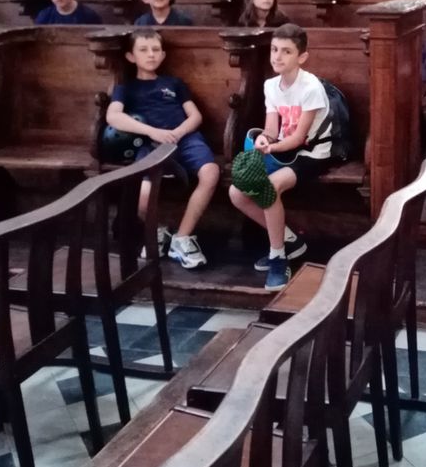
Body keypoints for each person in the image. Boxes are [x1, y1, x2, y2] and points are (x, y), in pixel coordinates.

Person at [228, 24, 331, 290]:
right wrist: (264, 139)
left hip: (311, 153)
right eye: (275, 50)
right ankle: (290, 240)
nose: (278, 56)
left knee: (270, 188)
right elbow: (273, 129)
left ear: (302, 57)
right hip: (283, 151)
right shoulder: (270, 85)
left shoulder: (311, 87)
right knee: (236, 192)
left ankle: (278, 257)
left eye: (286, 51)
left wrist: (271, 148)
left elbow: (298, 139)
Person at [106, 29, 220, 269]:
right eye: (144, 50)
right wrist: (151, 131)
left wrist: (178, 132)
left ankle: (182, 237)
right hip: (151, 143)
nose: (151, 55)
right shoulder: (126, 87)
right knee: (143, 195)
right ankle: (156, 232)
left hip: (185, 138)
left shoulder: (173, 83)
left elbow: (195, 116)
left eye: (156, 50)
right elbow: (113, 116)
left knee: (210, 172)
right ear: (130, 56)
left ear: (163, 54)